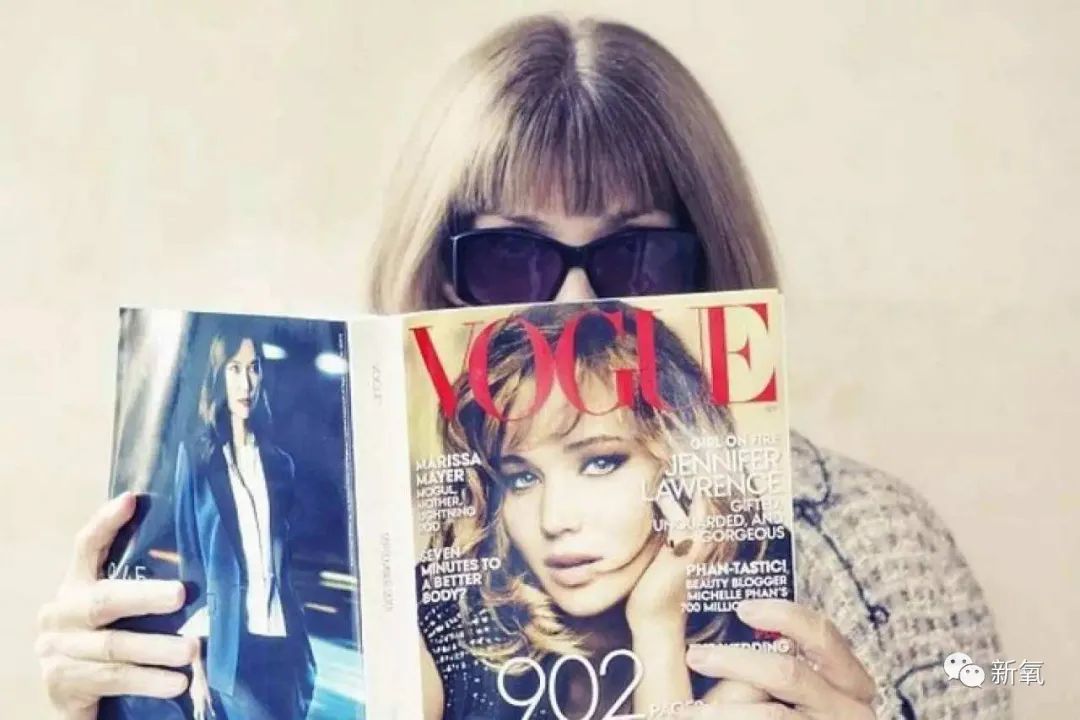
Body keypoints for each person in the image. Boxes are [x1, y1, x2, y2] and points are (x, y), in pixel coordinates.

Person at [36, 13, 1009, 719]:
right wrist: (101, 706)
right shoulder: (385, 568)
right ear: (433, 273)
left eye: (636, 257)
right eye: (510, 258)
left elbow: (1000, 686)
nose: (574, 308)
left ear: (710, 265)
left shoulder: (867, 537)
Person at [418, 301, 793, 718]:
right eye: (521, 479)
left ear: (683, 465)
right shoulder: (447, 622)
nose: (554, 521)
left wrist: (657, 624)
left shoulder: (759, 589)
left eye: (600, 463)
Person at [173, 329, 316, 719]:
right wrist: (197, 667)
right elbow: (192, 566)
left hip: (283, 645)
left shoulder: (280, 465)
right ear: (218, 375)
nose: (246, 383)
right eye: (234, 369)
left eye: (253, 368)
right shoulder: (197, 460)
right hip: (232, 649)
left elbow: (286, 562)